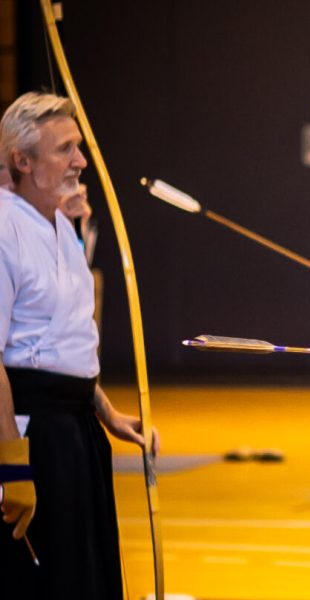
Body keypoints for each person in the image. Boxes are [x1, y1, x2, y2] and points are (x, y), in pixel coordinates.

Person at [0, 92, 154, 599]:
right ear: (21, 160)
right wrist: (11, 462)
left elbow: (65, 344)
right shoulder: (4, 229)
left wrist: (107, 413)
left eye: (80, 148)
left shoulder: (60, 225)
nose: (81, 161)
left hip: (76, 432)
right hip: (31, 434)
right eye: (65, 148)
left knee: (85, 576)